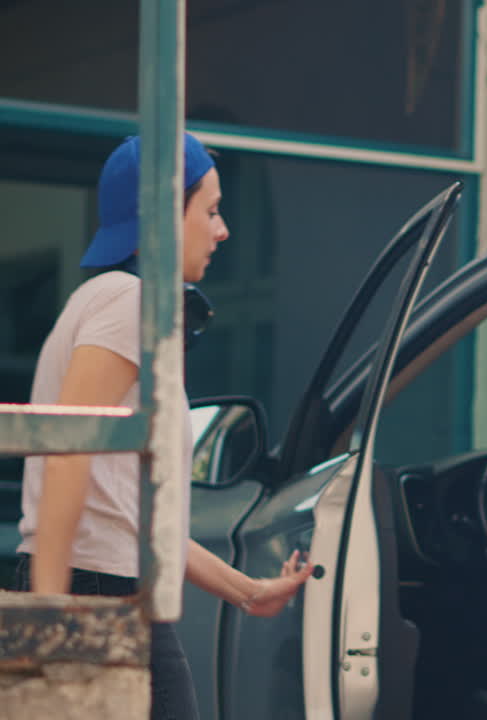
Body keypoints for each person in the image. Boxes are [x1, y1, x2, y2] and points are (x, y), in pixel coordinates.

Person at [10, 133, 312, 719]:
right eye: (212, 210)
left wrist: (250, 594)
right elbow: (67, 446)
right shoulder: (130, 303)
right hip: (93, 593)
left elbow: (138, 524)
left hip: (105, 585)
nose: (223, 231)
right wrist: (48, 614)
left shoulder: (106, 302)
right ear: (159, 217)